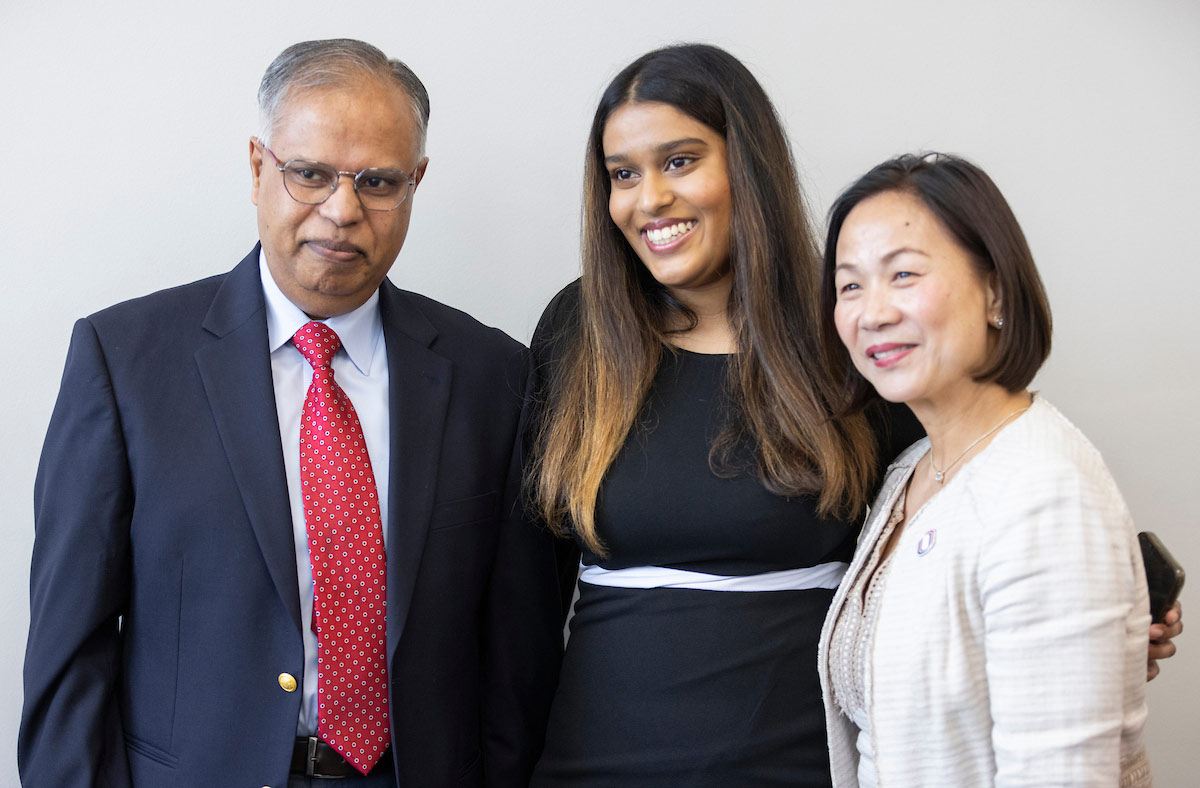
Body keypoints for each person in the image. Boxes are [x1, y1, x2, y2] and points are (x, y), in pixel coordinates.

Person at [527, 44, 1181, 788]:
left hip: (805, 762)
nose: (649, 198)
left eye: (679, 161)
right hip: (592, 762)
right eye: (623, 174)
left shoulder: (852, 335)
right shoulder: (580, 332)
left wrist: (1092, 616)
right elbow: (523, 593)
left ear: (748, 165)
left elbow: (964, 510)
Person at [20, 39, 561, 788]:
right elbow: (67, 653)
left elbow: (518, 658)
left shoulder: (491, 374)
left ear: (416, 183)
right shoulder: (126, 361)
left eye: (377, 181)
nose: (342, 212)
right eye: (308, 174)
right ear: (256, 167)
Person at [817, 153, 1153, 786]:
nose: (873, 312)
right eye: (850, 285)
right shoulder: (912, 470)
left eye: (904, 275)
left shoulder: (1044, 494)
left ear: (994, 290)